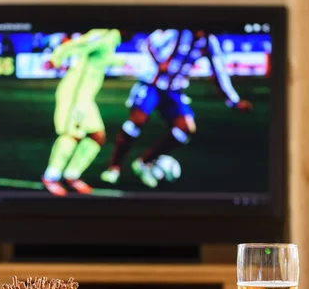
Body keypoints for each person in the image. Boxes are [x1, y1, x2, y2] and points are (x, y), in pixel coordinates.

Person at [101, 29, 253, 188]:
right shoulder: (176, 32)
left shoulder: (209, 42)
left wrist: (234, 101)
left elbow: (218, 72)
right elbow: (150, 43)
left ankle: (144, 163)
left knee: (185, 129)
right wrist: (161, 62)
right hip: (151, 84)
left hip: (174, 90)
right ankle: (114, 168)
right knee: (135, 122)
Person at [41, 29, 125, 196]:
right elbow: (78, 44)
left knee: (97, 136)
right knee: (72, 135)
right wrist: (55, 58)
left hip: (86, 98)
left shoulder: (112, 39)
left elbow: (102, 58)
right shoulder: (106, 34)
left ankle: (71, 175)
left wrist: (121, 62)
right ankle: (50, 177)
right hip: (74, 94)